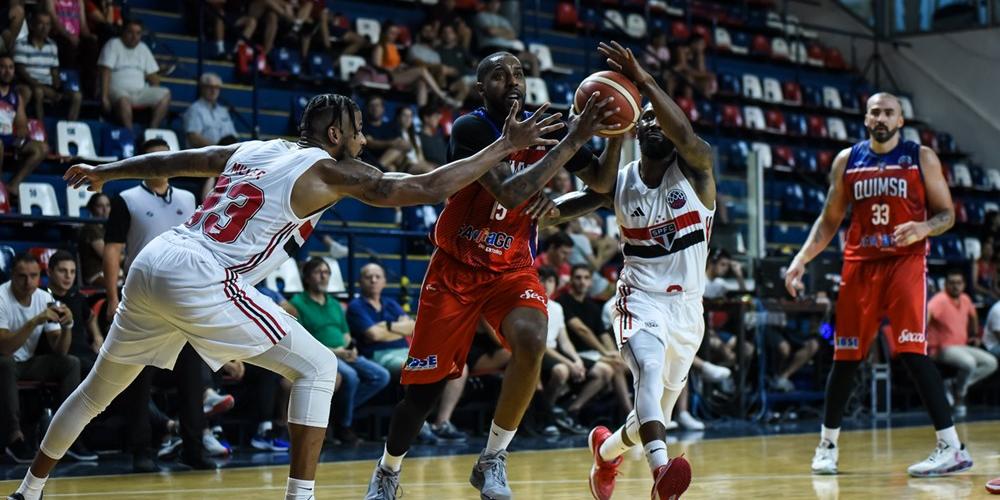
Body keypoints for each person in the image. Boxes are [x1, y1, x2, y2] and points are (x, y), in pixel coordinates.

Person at [7, 91, 561, 500]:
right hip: (202, 274)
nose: (366, 137)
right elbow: (426, 188)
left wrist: (108, 171)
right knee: (319, 369)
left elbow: (178, 162)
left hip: (154, 260)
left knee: (97, 389)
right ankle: (301, 498)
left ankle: (29, 491)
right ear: (336, 137)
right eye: (360, 129)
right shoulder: (330, 170)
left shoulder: (256, 147)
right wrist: (503, 147)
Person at [364, 51, 620, 500]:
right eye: (499, 75)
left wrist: (613, 135)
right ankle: (389, 469)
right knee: (421, 396)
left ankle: (492, 459)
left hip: (511, 270)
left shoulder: (549, 129)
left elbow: (601, 186)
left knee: (534, 339)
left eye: (519, 72)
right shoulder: (472, 129)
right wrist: (574, 140)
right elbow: (510, 190)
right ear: (483, 89)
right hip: (456, 268)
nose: (512, 80)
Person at [545, 41, 714, 499]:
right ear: (635, 132)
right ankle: (661, 471)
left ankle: (604, 451)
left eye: (665, 121)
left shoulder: (697, 171)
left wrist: (645, 82)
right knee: (649, 371)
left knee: (648, 417)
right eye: (648, 121)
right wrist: (540, 211)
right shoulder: (618, 183)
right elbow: (566, 207)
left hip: (688, 311)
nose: (658, 125)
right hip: (640, 299)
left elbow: (685, 132)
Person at [782, 92, 970, 477]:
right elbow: (828, 220)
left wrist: (922, 227)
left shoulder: (921, 157)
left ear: (901, 120)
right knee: (845, 357)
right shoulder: (847, 160)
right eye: (875, 112)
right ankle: (827, 446)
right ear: (865, 118)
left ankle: (951, 447)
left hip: (905, 262)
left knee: (913, 351)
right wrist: (800, 259)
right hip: (860, 265)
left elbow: (947, 213)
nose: (881, 118)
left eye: (889, 112)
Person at [347, 262, 468, 443]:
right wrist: (397, 328)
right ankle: (418, 425)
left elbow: (413, 327)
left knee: (459, 367)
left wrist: (386, 327)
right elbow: (373, 334)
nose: (373, 280)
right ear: (360, 281)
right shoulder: (356, 306)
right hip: (378, 355)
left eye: (377, 276)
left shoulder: (390, 303)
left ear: (384, 282)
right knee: (414, 367)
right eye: (368, 276)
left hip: (405, 350)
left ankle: (442, 422)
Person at [0, 254, 95, 464]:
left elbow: (59, 350)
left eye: (33, 276)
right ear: (12, 276)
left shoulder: (44, 298)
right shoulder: (1, 297)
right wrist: (34, 321)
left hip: (28, 363)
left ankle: (66, 436)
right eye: (22, 277)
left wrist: (67, 326)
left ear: (40, 276)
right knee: (5, 364)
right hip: (5, 361)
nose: (28, 282)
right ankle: (15, 438)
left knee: (71, 362)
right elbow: (5, 348)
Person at [290, 257, 390, 445]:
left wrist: (349, 350)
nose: (323, 276)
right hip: (320, 355)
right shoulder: (297, 303)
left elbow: (345, 334)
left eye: (326, 272)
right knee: (350, 376)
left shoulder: (335, 304)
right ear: (307, 277)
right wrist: (337, 352)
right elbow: (301, 341)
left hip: (343, 353)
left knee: (380, 375)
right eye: (318, 272)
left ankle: (336, 413)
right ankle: (344, 426)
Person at [537, 266, 614, 436]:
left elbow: (564, 341)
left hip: (555, 352)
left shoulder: (556, 307)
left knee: (605, 371)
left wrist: (576, 360)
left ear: (556, 284)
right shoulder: (532, 305)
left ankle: (570, 410)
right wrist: (569, 363)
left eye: (550, 281)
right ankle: (545, 414)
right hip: (539, 353)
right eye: (541, 280)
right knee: (561, 370)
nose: (545, 285)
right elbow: (542, 345)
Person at [927, 270, 997, 417]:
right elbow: (927, 314)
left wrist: (975, 335)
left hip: (962, 346)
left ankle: (955, 384)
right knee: (970, 363)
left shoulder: (965, 299)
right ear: (945, 285)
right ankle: (959, 395)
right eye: (951, 283)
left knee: (991, 362)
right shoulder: (939, 300)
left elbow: (973, 315)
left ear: (964, 285)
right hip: (941, 348)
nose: (955, 286)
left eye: (959, 283)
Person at [98, 18, 171, 129]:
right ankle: (129, 134)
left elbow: (153, 77)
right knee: (124, 100)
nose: (134, 36)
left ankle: (152, 130)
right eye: (130, 32)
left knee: (165, 94)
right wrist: (104, 97)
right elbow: (105, 71)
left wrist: (155, 87)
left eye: (138, 33)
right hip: (117, 91)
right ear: (123, 32)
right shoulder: (113, 44)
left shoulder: (143, 48)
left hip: (139, 92)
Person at [14, 10, 82, 121]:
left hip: (48, 85)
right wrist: (44, 89)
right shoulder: (22, 44)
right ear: (32, 25)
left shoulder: (52, 45)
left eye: (47, 24)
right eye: (41, 23)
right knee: (39, 92)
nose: (44, 27)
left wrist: (57, 85)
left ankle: (69, 127)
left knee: (77, 96)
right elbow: (21, 71)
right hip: (28, 83)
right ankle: (40, 127)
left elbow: (54, 70)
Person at [46, 251, 103, 377]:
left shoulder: (76, 295)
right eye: (63, 271)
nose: (68, 276)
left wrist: (97, 337)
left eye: (72, 272)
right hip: (64, 356)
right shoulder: (43, 297)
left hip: (86, 352)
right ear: (49, 272)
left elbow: (91, 317)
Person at [0, 54, 48, 198]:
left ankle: (13, 185)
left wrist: (22, 130)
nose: (7, 71)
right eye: (2, 67)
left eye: (10, 67)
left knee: (42, 148)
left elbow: (21, 123)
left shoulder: (15, 95)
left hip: (8, 137)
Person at [183, 72, 238, 148]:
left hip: (224, 155)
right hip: (203, 156)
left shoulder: (223, 111)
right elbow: (193, 138)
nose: (213, 91)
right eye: (210, 87)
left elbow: (233, 136)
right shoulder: (194, 110)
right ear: (202, 88)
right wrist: (217, 149)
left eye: (217, 87)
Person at [77, 192, 110, 286]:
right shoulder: (90, 228)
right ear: (92, 208)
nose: (105, 210)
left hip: (110, 272)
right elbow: (107, 256)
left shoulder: (105, 228)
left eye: (107, 205)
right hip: (95, 275)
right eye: (100, 206)